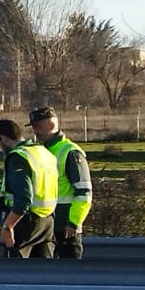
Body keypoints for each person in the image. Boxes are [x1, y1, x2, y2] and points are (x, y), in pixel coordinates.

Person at [29, 106, 92, 260]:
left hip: (65, 226)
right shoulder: (41, 150)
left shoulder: (70, 152)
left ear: (51, 125)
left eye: (38, 126)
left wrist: (74, 223)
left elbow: (84, 192)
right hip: (45, 225)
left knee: (70, 276)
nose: (35, 131)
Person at [0, 118, 57, 259]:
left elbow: (24, 198)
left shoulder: (18, 157)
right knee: (44, 275)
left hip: (25, 223)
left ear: (3, 138)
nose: (0, 147)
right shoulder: (43, 152)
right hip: (47, 221)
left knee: (16, 273)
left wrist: (8, 226)